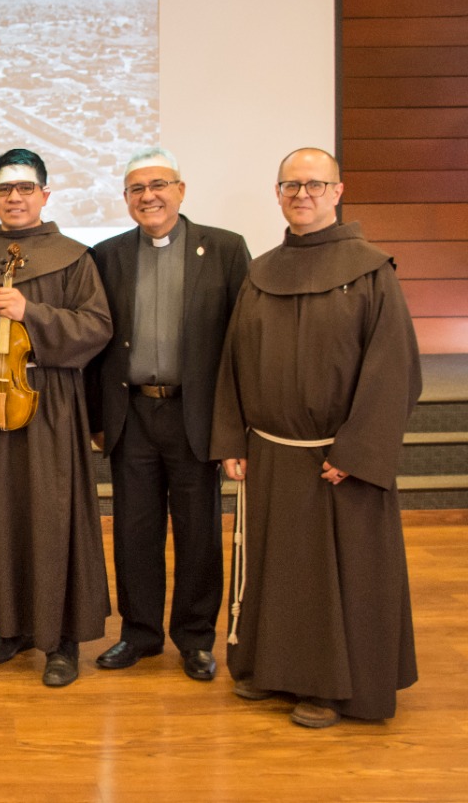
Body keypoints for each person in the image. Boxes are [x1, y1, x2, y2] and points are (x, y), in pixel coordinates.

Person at [212, 147, 420, 728]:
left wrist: (357, 450)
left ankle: (332, 687)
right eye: (290, 185)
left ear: (337, 191)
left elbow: (394, 369)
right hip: (271, 453)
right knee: (277, 573)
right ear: (277, 193)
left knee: (333, 579)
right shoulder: (261, 272)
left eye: (314, 184)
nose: (301, 194)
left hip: (336, 461)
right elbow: (233, 360)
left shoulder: (372, 271)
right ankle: (271, 670)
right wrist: (232, 438)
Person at [87, 148, 250, 682]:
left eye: (158, 185)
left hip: (194, 415)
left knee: (198, 532)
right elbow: (96, 345)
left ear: (181, 190)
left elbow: (242, 342)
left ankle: (195, 639)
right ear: (126, 199)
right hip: (131, 414)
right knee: (134, 532)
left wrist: (235, 427)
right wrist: (96, 419)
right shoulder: (107, 255)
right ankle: (140, 633)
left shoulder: (225, 249)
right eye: (137, 188)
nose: (148, 196)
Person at [0, 149, 112, 687]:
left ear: (45, 194)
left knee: (51, 516)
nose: (15, 198)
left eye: (26, 188)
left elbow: (97, 327)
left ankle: (61, 639)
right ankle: (12, 625)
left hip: (49, 402)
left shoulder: (74, 258)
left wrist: (31, 313)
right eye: (5, 189)